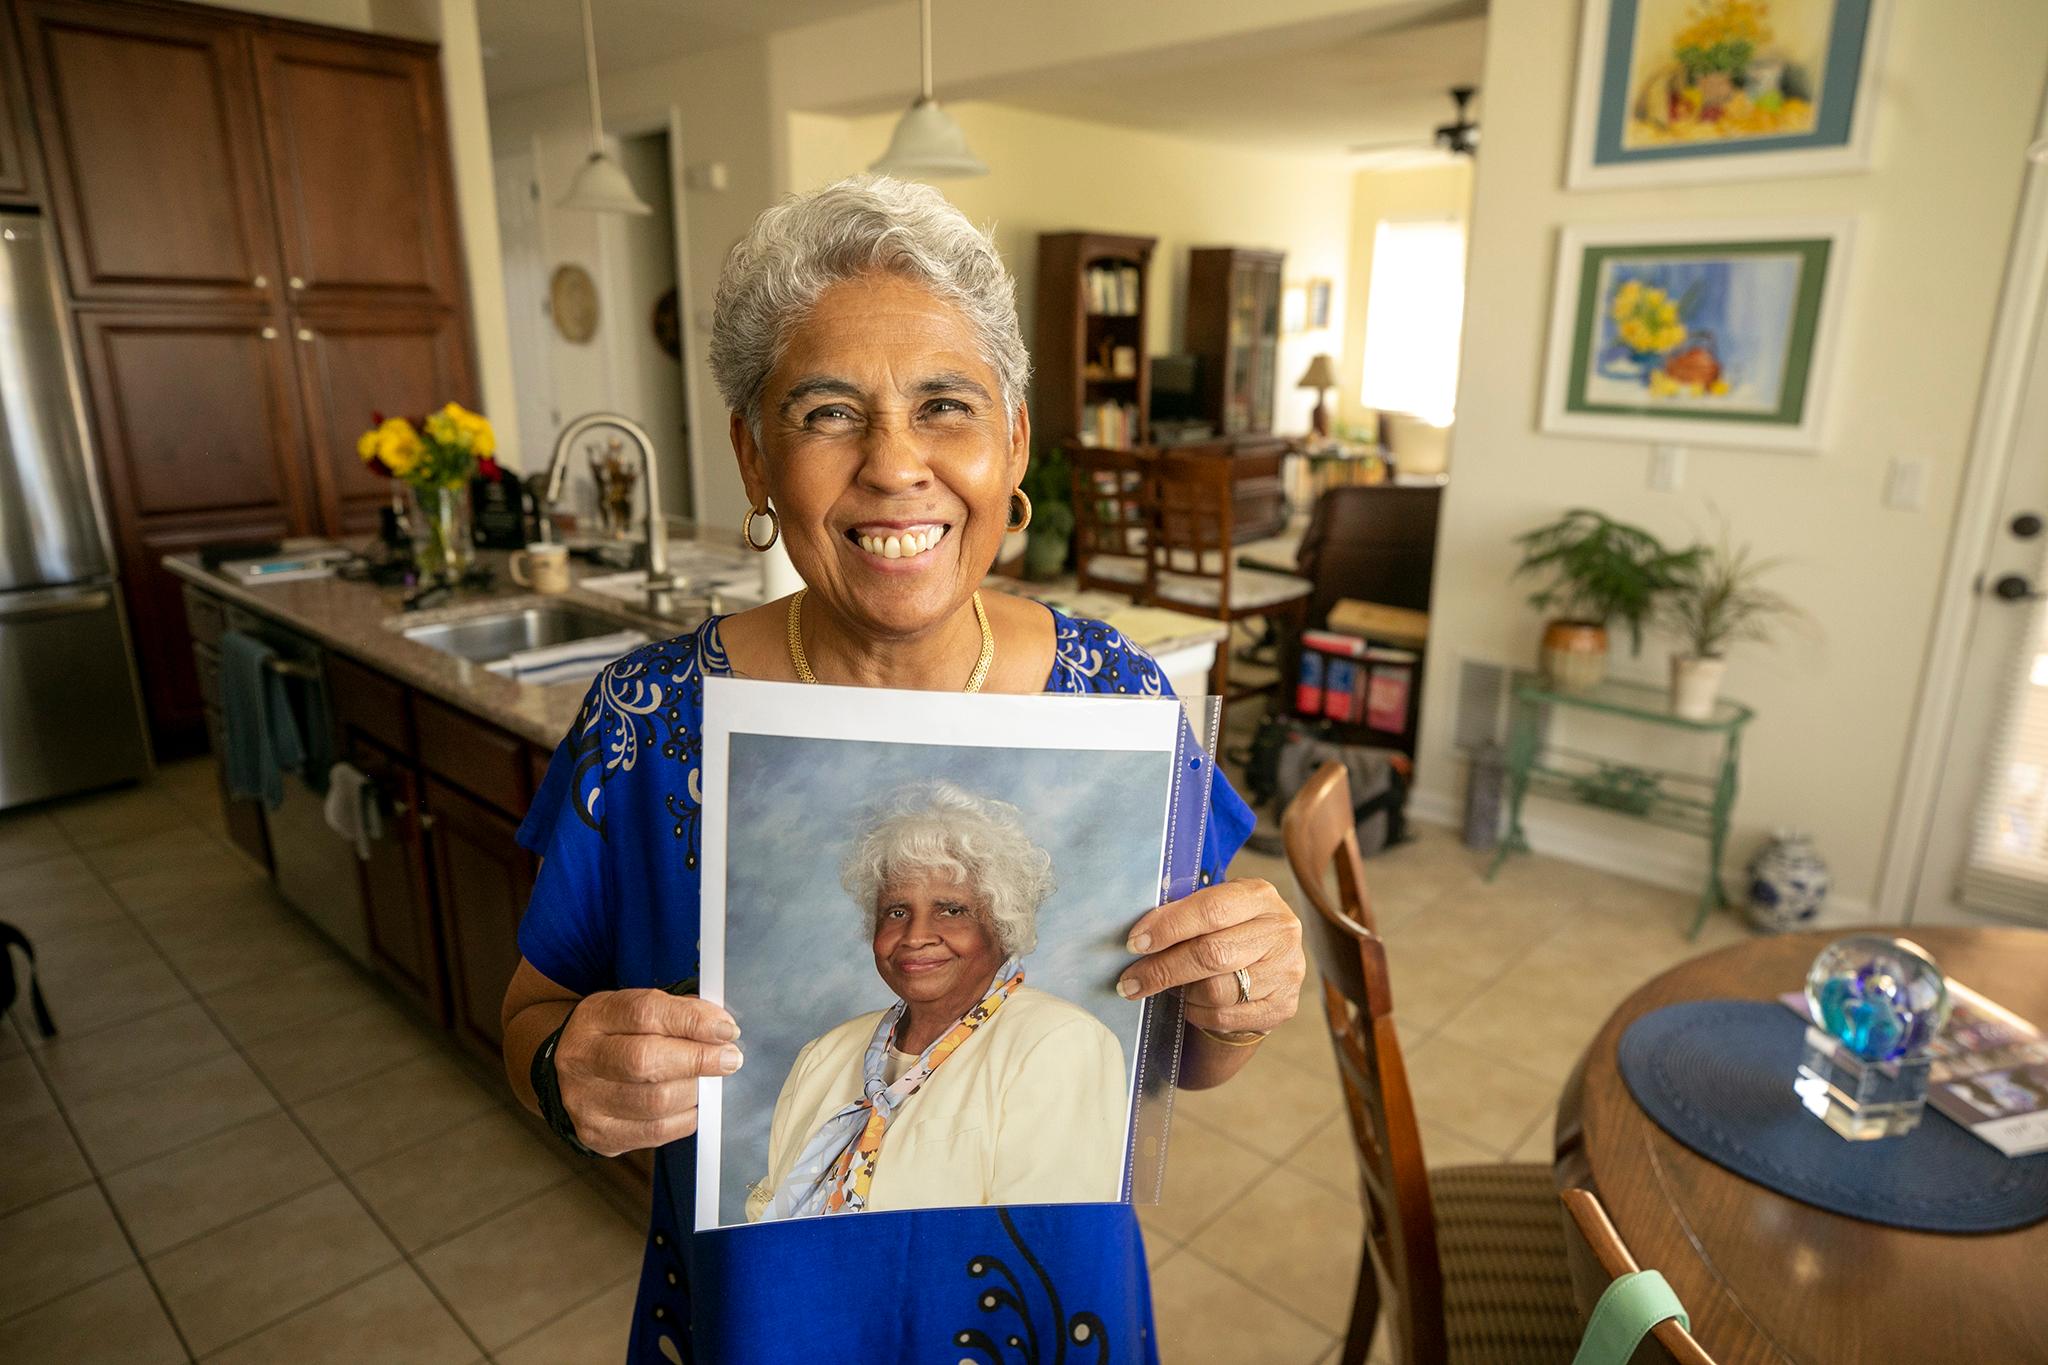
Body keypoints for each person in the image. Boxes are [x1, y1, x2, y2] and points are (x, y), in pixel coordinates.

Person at [501, 174, 1306, 1364]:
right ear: (752, 456)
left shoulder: (1117, 696)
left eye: (945, 405)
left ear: (1012, 441)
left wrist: (1241, 1003)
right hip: (767, 1328)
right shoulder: (648, 720)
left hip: (1048, 1319)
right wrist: (563, 1070)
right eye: (826, 413)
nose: (894, 466)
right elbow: (528, 1010)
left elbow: (1179, 1054)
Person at [746, 781, 1127, 1223]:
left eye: (951, 910)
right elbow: (763, 1219)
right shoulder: (823, 1056)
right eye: (897, 912)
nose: (915, 936)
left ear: (1003, 927)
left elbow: (1041, 1250)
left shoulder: (1058, 1044)